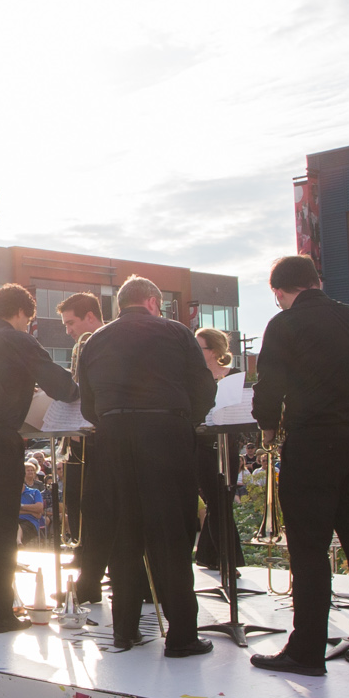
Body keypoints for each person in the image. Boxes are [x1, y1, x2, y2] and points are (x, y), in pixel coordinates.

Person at [249, 255, 349, 675]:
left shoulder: (285, 323)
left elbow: (270, 386)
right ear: (316, 280)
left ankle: (307, 650)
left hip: (314, 440)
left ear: (278, 291)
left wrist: (267, 430)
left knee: (309, 546)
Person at [75, 276, 218, 656]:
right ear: (153, 302)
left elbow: (87, 404)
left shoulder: (96, 340)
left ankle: (124, 631)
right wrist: (185, 419)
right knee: (171, 534)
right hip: (165, 434)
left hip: (113, 436)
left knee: (124, 532)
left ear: (122, 305)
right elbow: (204, 387)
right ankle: (182, 635)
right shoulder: (176, 332)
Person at [0, 283, 78, 632]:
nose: (28, 325)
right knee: (3, 526)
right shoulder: (20, 340)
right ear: (21, 312)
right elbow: (61, 387)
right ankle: (1, 615)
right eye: (29, 319)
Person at [55, 292, 108, 612]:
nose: (68, 330)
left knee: (94, 512)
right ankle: (89, 578)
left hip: (94, 439)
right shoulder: (84, 343)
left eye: (71, 322)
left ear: (90, 316)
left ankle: (90, 582)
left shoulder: (97, 341)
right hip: (80, 439)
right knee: (79, 507)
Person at [192, 326, 245, 572]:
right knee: (216, 502)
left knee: (223, 501)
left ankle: (210, 556)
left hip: (228, 446)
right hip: (203, 446)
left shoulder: (234, 375)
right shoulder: (194, 376)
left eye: (198, 347)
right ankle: (228, 560)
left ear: (212, 351)